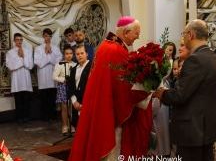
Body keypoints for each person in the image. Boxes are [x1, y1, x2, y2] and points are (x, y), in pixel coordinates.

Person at [68, 16, 152, 161]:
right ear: (126, 32)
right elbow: (124, 89)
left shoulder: (106, 46)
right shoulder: (116, 51)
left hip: (100, 105)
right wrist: (148, 90)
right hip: (109, 112)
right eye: (136, 34)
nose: (137, 38)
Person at [154, 19, 216, 161]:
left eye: (184, 33)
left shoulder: (195, 60)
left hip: (193, 130)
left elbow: (179, 96)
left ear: (191, 35)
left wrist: (161, 93)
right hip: (207, 128)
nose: (183, 37)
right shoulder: (214, 58)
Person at [34, 28, 62, 121]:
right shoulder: (38, 49)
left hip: (52, 76)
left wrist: (51, 54)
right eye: (46, 36)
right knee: (44, 98)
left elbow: (59, 61)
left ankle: (52, 115)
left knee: (52, 97)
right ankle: (44, 116)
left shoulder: (56, 48)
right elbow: (37, 62)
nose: (48, 38)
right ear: (43, 36)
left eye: (49, 36)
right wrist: (46, 54)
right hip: (43, 77)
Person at [6, 33, 33, 123]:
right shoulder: (10, 52)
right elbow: (10, 66)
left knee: (26, 99)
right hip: (16, 80)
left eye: (21, 40)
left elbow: (30, 65)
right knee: (18, 100)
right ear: (14, 41)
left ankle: (27, 117)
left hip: (26, 79)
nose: (19, 42)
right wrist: (21, 61)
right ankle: (19, 118)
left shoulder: (28, 51)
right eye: (17, 40)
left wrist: (23, 57)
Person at [52, 45, 76, 135]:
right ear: (64, 54)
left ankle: (72, 125)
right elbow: (54, 76)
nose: (69, 55)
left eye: (70, 53)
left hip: (72, 87)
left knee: (72, 107)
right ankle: (65, 126)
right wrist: (63, 80)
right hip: (63, 87)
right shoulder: (59, 64)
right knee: (64, 107)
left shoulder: (75, 64)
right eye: (67, 54)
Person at [68, 45, 91, 128]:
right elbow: (70, 87)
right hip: (76, 103)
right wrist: (74, 101)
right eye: (77, 54)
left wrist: (84, 103)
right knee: (78, 126)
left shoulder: (92, 67)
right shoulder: (73, 69)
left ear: (87, 54)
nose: (80, 55)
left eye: (82, 53)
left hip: (88, 103)